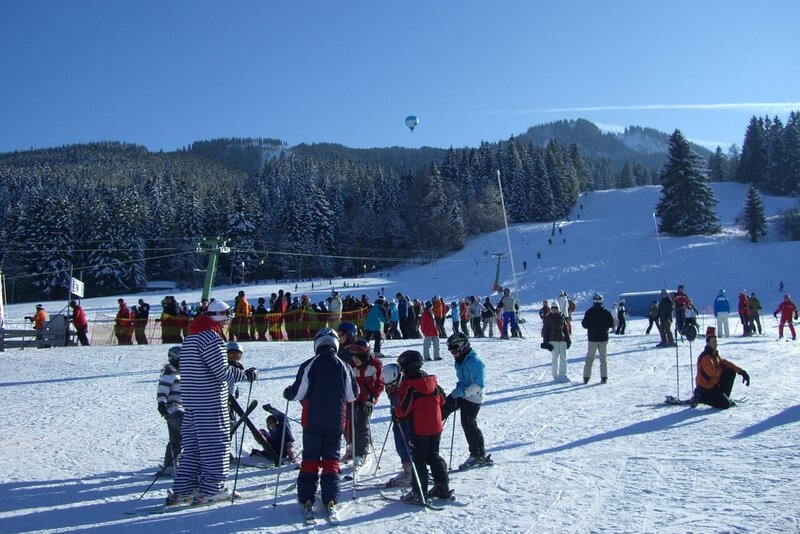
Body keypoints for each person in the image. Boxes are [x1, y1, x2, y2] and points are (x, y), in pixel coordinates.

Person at [167, 299, 255, 506]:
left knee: (193, 448)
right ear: (221, 318)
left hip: (192, 403)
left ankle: (184, 488)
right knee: (216, 445)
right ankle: (212, 489)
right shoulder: (211, 338)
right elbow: (221, 372)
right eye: (227, 318)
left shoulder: (191, 338)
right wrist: (244, 375)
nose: (228, 323)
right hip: (210, 402)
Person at [283, 327, 359, 521]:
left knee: (310, 459)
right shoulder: (344, 366)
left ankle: (307, 498)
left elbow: (298, 393)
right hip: (335, 423)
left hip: (312, 423)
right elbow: (352, 395)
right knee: (331, 460)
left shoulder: (309, 364)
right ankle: (330, 498)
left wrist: (288, 392)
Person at [395, 350, 450, 504]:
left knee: (418, 460)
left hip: (419, 429)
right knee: (433, 455)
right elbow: (443, 400)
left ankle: (419, 492)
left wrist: (396, 412)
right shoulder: (432, 382)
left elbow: (404, 409)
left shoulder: (410, 386)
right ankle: (442, 486)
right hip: (435, 427)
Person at [442, 333, 489, 469]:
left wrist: (464, 392)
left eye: (455, 350)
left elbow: (479, 384)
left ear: (463, 347)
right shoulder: (460, 359)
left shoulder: (476, 362)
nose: (453, 354)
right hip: (461, 392)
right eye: (451, 351)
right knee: (440, 411)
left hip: (473, 396)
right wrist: (459, 390)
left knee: (468, 423)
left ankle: (478, 455)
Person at [693, 327, 750, 409]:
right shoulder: (705, 357)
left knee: (730, 372)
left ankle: (724, 397)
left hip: (713, 385)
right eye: (713, 342)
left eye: (716, 341)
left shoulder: (714, 355)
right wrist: (721, 369)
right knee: (725, 405)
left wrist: (741, 372)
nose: (715, 344)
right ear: (708, 343)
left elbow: (725, 363)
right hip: (705, 388)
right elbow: (712, 374)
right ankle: (700, 397)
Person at [347, 339, 383, 465]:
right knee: (350, 419)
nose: (355, 360)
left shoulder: (375, 365)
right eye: (353, 357)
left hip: (368, 398)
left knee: (362, 421)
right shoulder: (350, 365)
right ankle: (354, 443)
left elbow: (379, 383)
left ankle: (361, 453)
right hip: (354, 397)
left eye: (358, 357)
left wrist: (372, 398)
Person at [382, 362, 414, 487]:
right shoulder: (389, 383)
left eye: (393, 385)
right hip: (397, 419)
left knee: (408, 442)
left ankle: (412, 470)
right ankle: (407, 468)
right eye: (388, 386)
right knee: (399, 443)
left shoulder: (406, 385)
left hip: (407, 420)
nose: (390, 388)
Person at [157, 346, 183, 476]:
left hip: (181, 409)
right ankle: (172, 465)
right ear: (174, 359)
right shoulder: (169, 374)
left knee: (179, 438)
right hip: (174, 410)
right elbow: (162, 391)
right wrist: (161, 404)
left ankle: (172, 464)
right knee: (182, 437)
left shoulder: (179, 373)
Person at [581, 294, 615, 384]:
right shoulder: (606, 312)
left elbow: (584, 324)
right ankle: (604, 377)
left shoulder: (589, 312)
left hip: (593, 338)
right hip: (603, 338)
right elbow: (611, 324)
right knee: (603, 358)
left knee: (589, 358)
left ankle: (586, 377)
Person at [542, 301, 570, 382]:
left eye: (556, 308)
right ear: (551, 309)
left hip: (562, 340)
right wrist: (545, 343)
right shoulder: (548, 318)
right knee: (555, 358)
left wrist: (568, 340)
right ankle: (555, 375)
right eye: (553, 308)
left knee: (563, 358)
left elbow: (565, 330)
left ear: (558, 309)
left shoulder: (562, 317)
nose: (554, 310)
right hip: (553, 340)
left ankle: (562, 375)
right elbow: (545, 331)